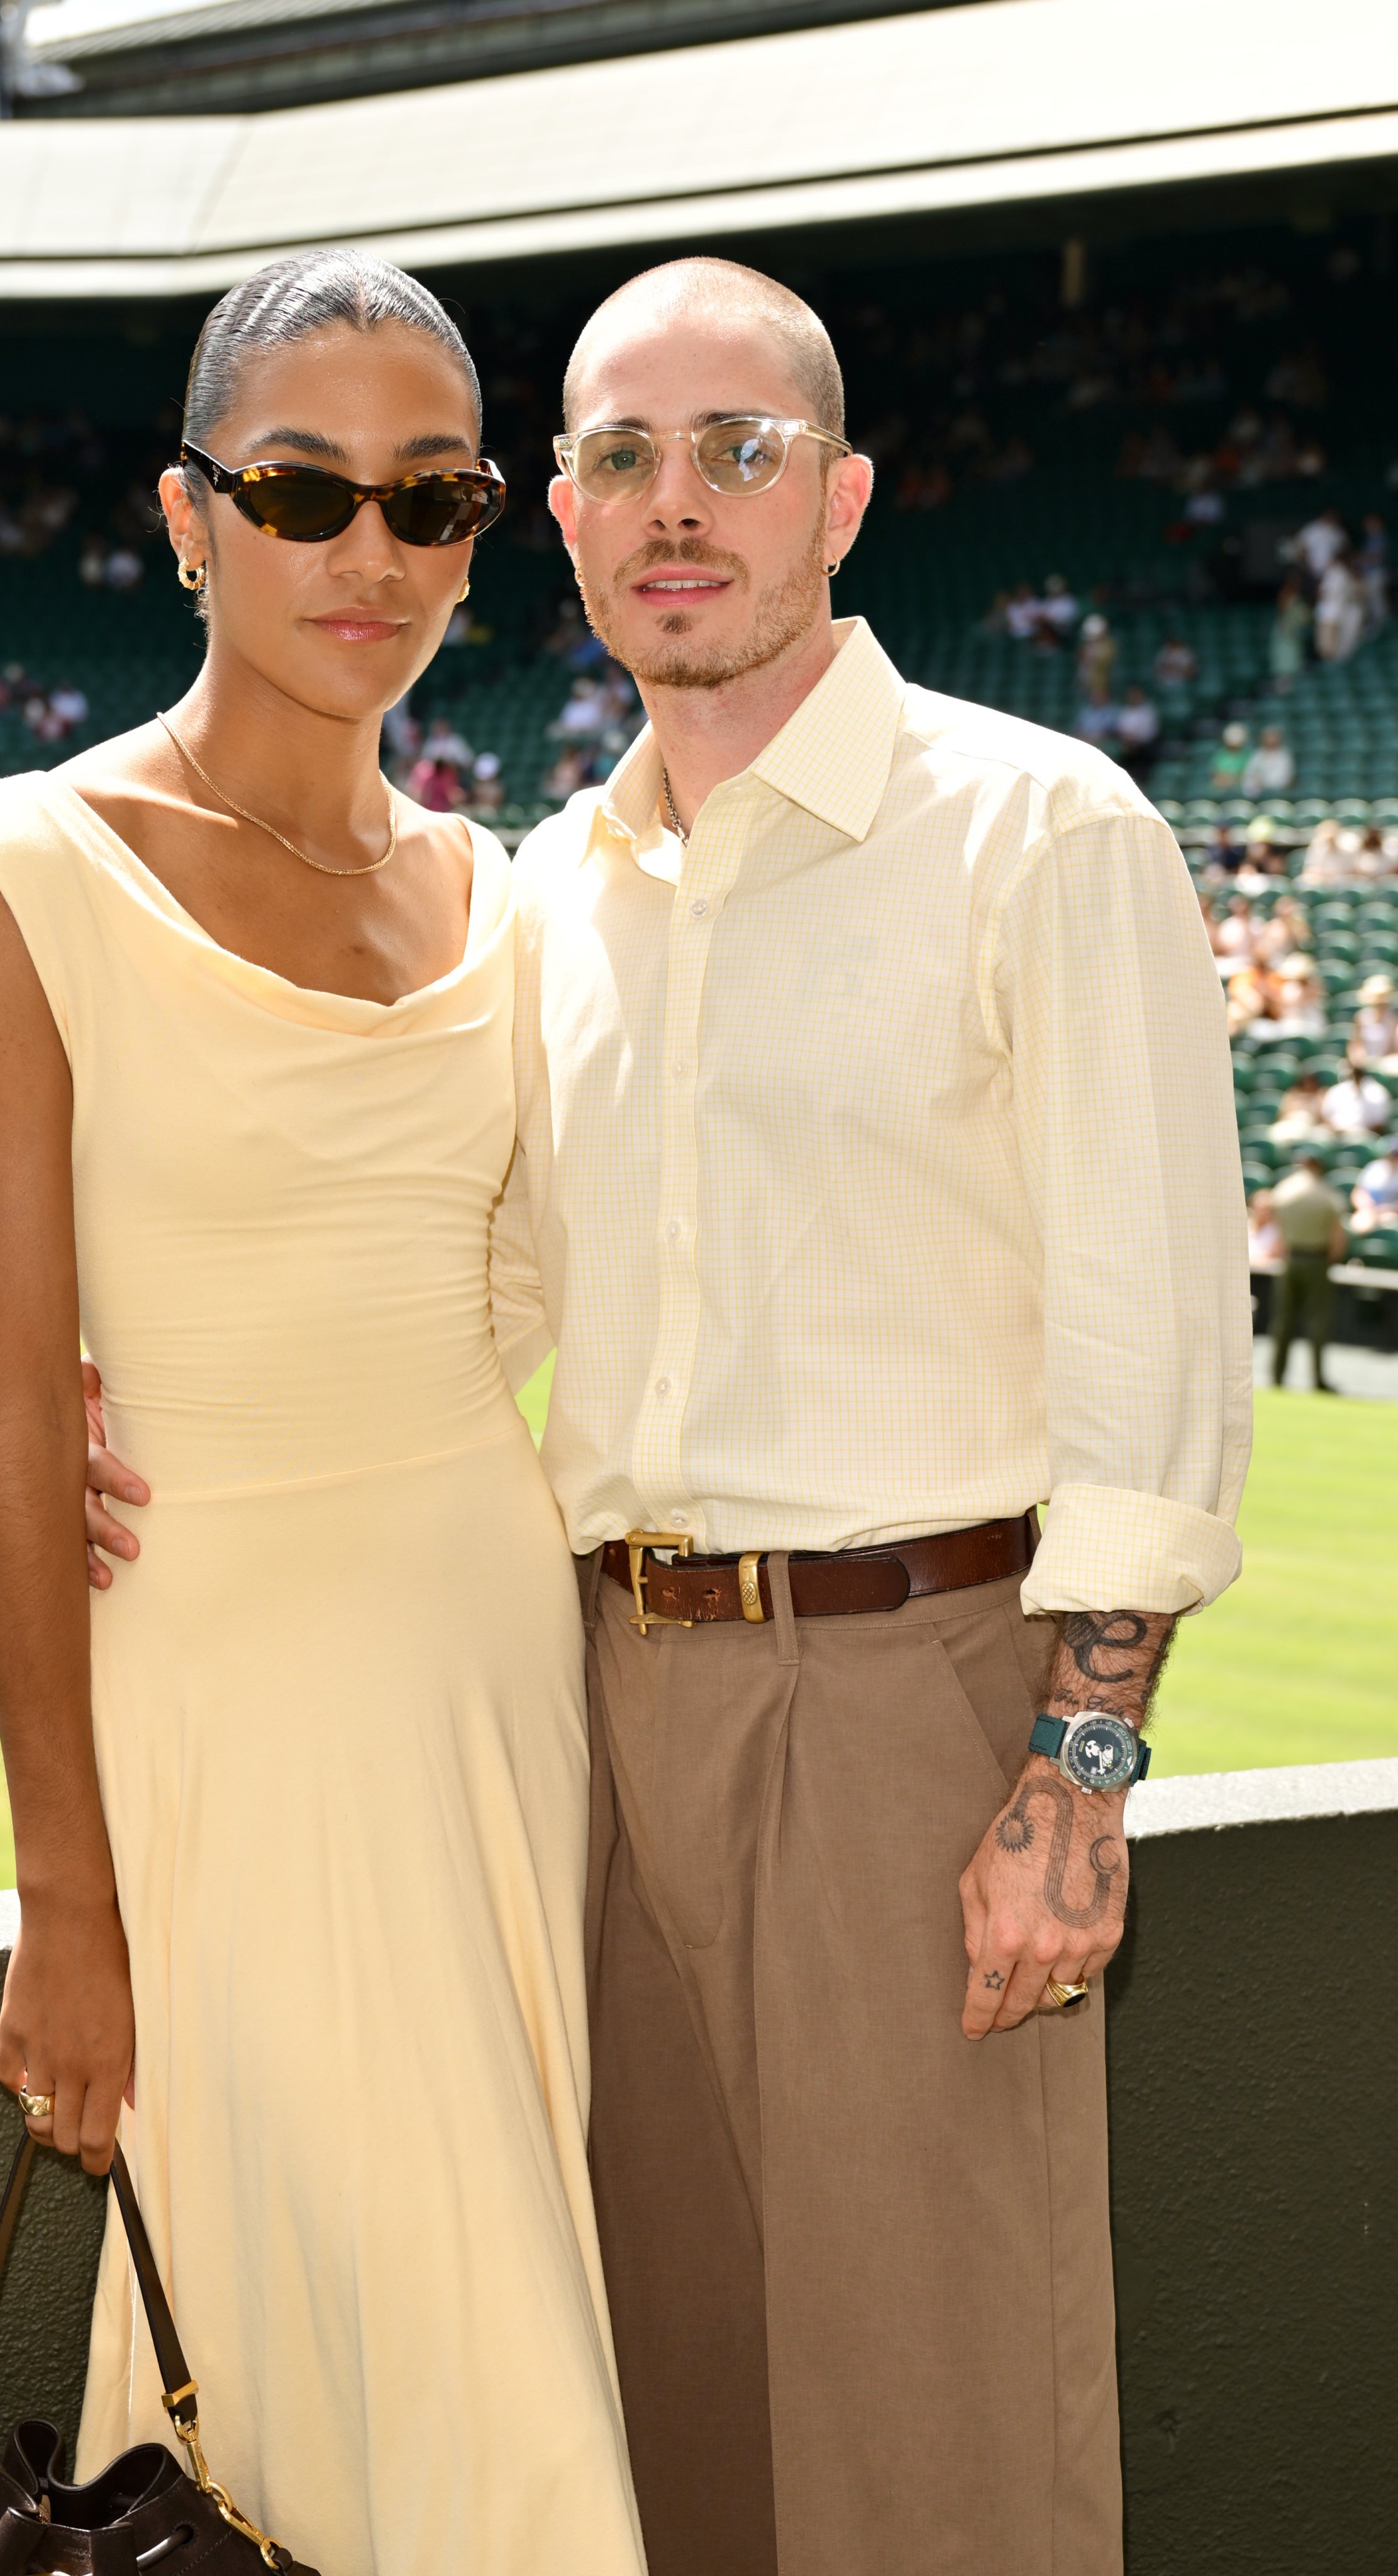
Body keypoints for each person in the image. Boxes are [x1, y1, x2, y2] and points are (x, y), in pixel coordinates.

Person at [86, 254, 1251, 2576]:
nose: (677, 503)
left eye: (737, 451)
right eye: (619, 455)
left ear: (841, 500)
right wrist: (158, 1393)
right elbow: (468, 1285)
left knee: (942, 2445)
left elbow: (1155, 1353)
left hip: (916, 1702)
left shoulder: (1044, 827)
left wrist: (1075, 1778)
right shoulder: (551, 896)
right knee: (675, 2414)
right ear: (568, 518)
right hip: (599, 1713)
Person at [0, 252, 646, 2576]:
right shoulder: (31, 866)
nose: (370, 556)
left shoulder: (513, 898)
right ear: (185, 518)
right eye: (302, 491)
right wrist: (66, 1896)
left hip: (493, 1693)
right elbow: (20, 1427)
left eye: (429, 501)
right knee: (266, 2365)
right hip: (209, 1716)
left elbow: (577, 1279)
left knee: (512, 2334)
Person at [1268, 1154, 1343, 1389]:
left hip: (1290, 1260)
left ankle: (1277, 1376)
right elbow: (1338, 1237)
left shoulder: (1283, 1192)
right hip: (1316, 1260)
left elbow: (1275, 1224)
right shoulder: (1325, 1194)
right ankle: (1317, 1379)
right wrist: (1330, 1259)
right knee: (1318, 1321)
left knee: (1283, 1319)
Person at [1321, 1059, 1391, 1139]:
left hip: (1365, 1137)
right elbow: (1326, 1117)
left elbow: (1379, 1124)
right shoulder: (1337, 1090)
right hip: (1338, 1136)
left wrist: (1359, 1134)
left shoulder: (1377, 1091)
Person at [1348, 973, 1398, 1073]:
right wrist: (1360, 1058)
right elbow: (1356, 1044)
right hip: (1366, 1060)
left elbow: (1393, 1046)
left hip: (1386, 1060)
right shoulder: (1361, 1017)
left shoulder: (1392, 1019)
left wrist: (1380, 1060)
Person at [1268, 575, 1311, 693]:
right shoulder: (1287, 596)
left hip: (1293, 636)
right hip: (1285, 635)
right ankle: (1282, 690)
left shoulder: (1299, 601)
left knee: (1293, 667)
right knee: (1284, 668)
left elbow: (1305, 618)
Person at [1241, 723, 1294, 798]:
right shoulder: (1258, 754)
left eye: (1273, 737)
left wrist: (1265, 783)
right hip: (1257, 792)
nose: (1270, 740)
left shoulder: (1284, 755)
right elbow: (1249, 773)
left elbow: (1285, 779)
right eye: (1268, 737)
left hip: (1278, 793)